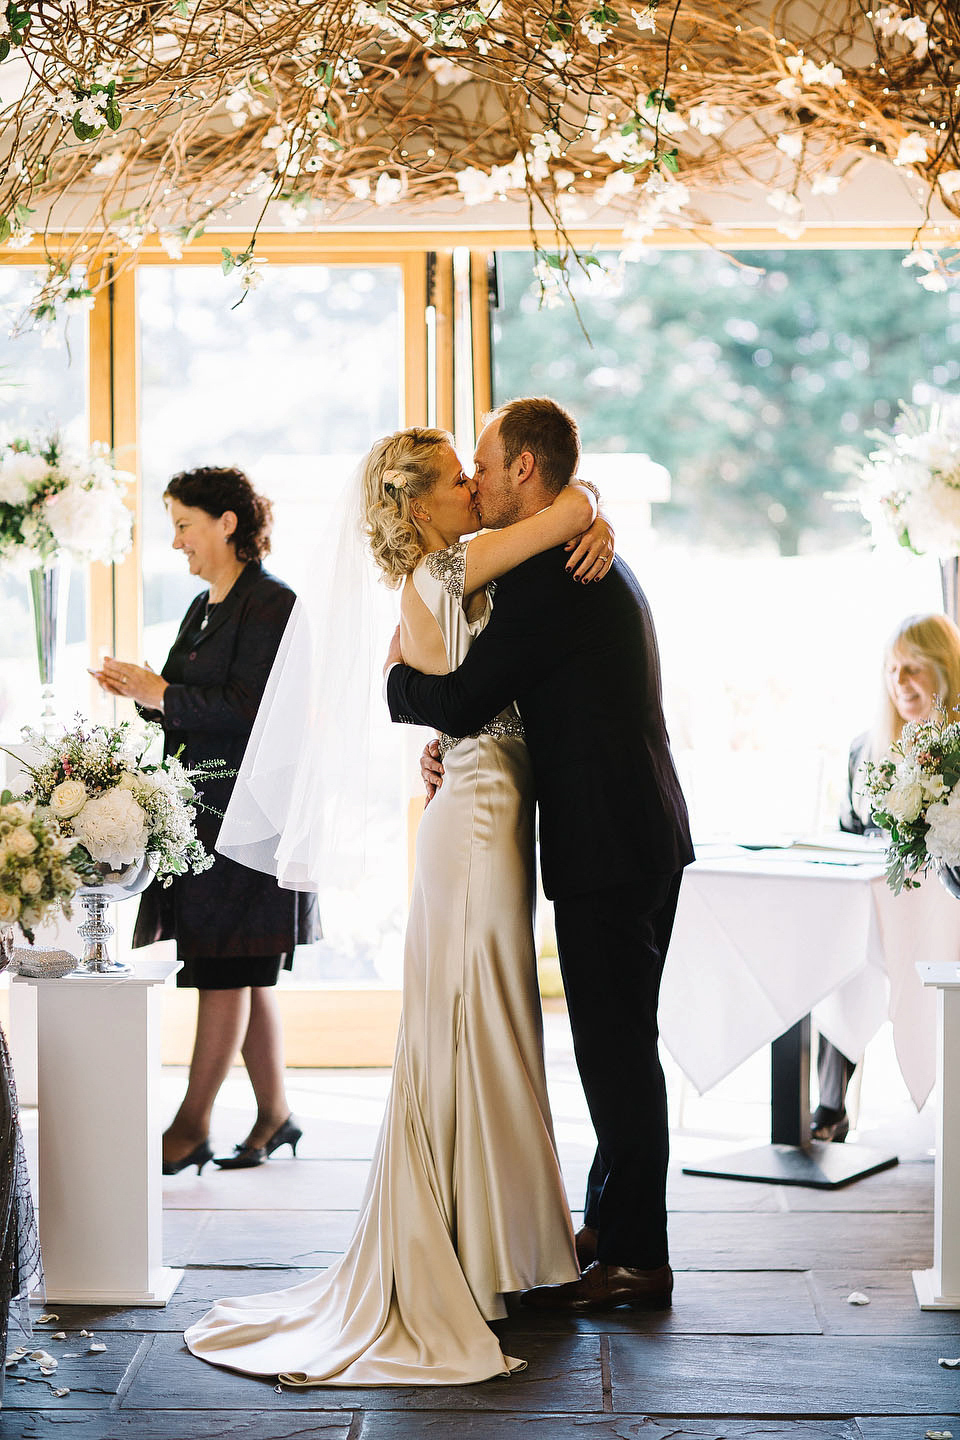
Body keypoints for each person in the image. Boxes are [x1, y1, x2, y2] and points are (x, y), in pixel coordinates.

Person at [183, 425, 615, 1385]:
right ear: (423, 506)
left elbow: (434, 682)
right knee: (480, 1017)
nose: (475, 485)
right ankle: (493, 1252)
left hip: (477, 803)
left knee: (479, 1017)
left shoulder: (442, 577)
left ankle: (495, 1243)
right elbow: (565, 512)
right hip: (473, 819)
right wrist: (591, 509)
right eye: (461, 477)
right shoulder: (448, 568)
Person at [388, 397, 694, 1314]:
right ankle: (610, 1215)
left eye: (484, 465)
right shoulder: (576, 548)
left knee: (615, 1049)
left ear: (526, 468)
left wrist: (396, 681)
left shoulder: (553, 572)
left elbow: (468, 694)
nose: (475, 482)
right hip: (636, 830)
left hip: (609, 841)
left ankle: (638, 1256)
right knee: (616, 1038)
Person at [92, 466, 319, 1174]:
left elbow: (254, 707)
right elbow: (178, 697)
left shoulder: (274, 605)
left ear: (228, 523)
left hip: (252, 816)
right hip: (204, 813)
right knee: (242, 966)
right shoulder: (203, 608)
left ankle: (190, 1126)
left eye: (184, 523)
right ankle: (275, 1114)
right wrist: (138, 690)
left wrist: (162, 692)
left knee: (224, 966)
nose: (176, 542)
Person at [814, 610, 960, 1143]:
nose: (900, 684)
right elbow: (847, 835)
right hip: (879, 907)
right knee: (834, 951)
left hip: (950, 911)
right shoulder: (865, 749)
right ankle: (830, 1105)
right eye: (892, 670)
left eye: (914, 669)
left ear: (945, 670)